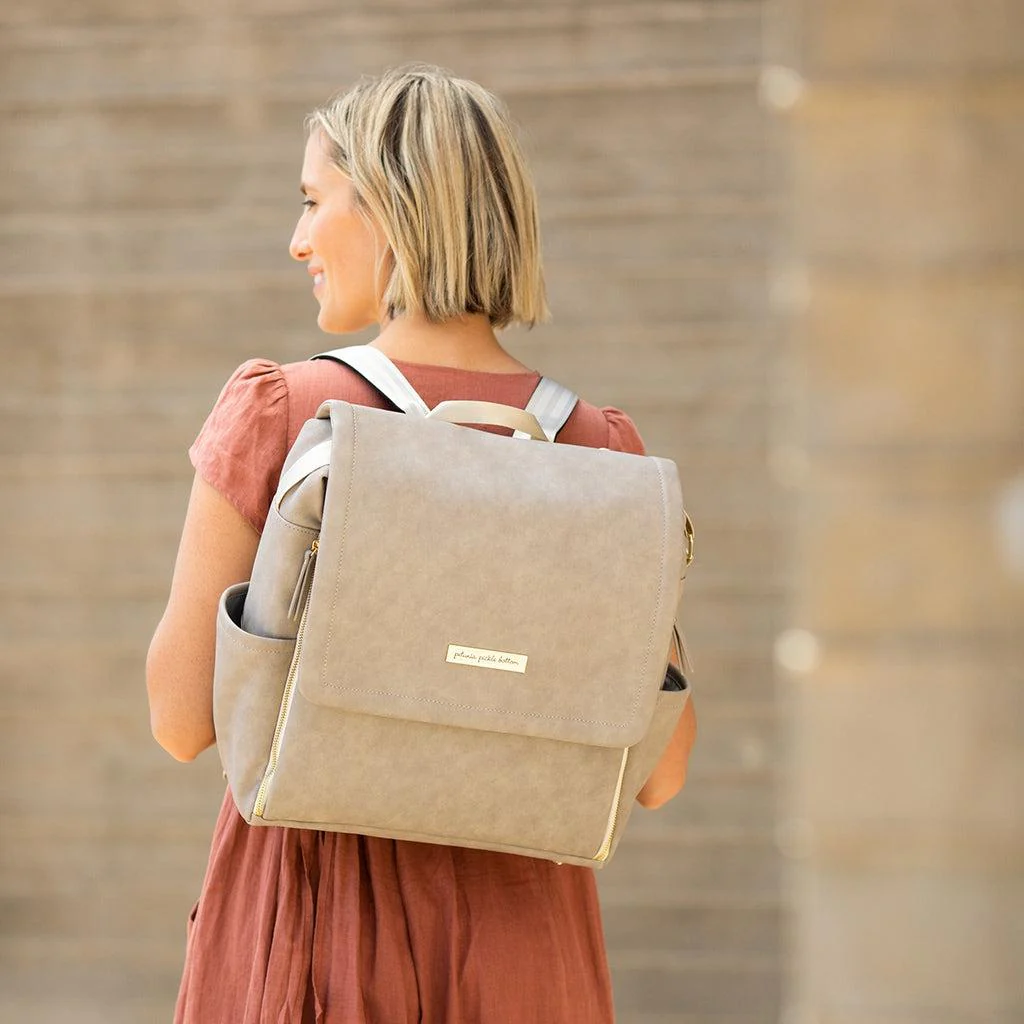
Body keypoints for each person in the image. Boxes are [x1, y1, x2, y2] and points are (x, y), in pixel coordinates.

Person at [146, 62, 697, 1024]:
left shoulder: (285, 413)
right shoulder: (599, 450)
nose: (298, 240)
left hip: (313, 929)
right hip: (529, 945)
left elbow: (182, 718)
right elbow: (662, 771)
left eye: (316, 202)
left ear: (393, 211)